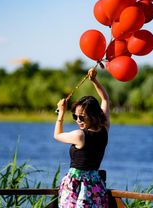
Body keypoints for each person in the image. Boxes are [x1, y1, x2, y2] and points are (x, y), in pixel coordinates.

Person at [54, 67, 110, 208]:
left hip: (77, 185)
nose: (78, 120)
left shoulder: (80, 136)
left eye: (81, 117)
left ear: (93, 115)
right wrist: (94, 81)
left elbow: (57, 135)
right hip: (96, 184)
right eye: (75, 116)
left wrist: (61, 113)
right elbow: (105, 99)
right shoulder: (104, 129)